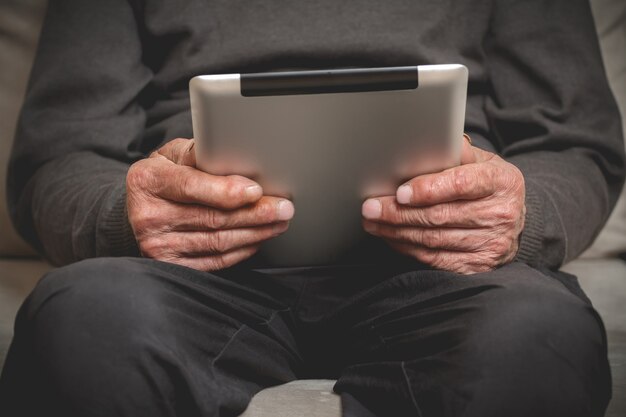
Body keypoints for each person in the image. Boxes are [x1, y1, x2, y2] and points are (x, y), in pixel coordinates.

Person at [0, 0, 624, 416]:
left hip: (451, 274)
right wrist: (125, 214)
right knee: (82, 321)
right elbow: (59, 155)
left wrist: (520, 212)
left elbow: (576, 146)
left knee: (539, 336)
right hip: (190, 276)